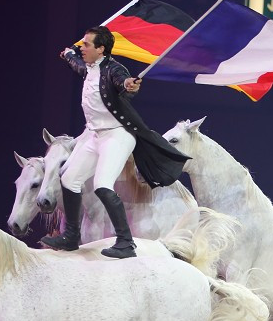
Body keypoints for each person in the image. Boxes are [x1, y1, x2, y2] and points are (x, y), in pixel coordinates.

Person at [41, 25, 189, 258]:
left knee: (102, 184)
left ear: (101, 49)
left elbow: (123, 83)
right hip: (95, 134)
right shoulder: (88, 66)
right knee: (69, 179)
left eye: (86, 45)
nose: (82, 48)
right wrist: (68, 53)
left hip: (117, 134)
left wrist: (129, 85)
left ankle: (126, 243)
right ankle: (71, 236)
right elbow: (76, 64)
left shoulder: (114, 69)